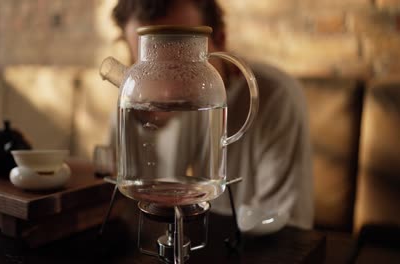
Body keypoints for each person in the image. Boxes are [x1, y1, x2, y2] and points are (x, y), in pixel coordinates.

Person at [110, 0, 313, 230]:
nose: (168, 87)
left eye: (181, 63)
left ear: (220, 41)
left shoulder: (276, 97)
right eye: (154, 65)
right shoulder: (132, 103)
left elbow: (286, 224)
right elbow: (119, 198)